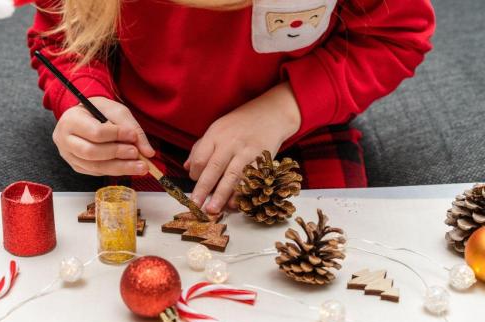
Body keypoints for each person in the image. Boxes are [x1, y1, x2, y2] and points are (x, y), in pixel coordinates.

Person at [27, 0, 435, 214]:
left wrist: (284, 109)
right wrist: (85, 99)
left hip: (303, 127)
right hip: (142, 135)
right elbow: (63, 39)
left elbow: (395, 36)